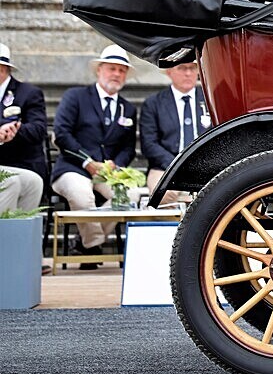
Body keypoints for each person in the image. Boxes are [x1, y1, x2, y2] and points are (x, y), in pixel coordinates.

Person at [51, 44, 139, 269]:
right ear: (99, 70)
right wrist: (88, 162)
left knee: (131, 195)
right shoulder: (76, 97)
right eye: (112, 69)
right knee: (82, 195)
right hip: (73, 167)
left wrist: (116, 165)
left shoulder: (128, 109)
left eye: (121, 70)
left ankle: (84, 244)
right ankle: (93, 245)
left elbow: (129, 148)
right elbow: (61, 133)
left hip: (107, 173)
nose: (117, 74)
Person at [140, 61, 209, 204]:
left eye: (192, 68)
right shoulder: (154, 103)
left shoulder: (210, 99)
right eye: (182, 68)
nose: (188, 73)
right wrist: (176, 165)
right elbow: (149, 144)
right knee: (162, 194)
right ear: (169, 72)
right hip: (165, 166)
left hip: (205, 165)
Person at [0, 44, 47, 214]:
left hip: (21, 161)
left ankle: (22, 237)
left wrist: (14, 131)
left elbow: (38, 129)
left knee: (32, 182)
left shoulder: (28, 93)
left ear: (3, 69)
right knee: (10, 182)